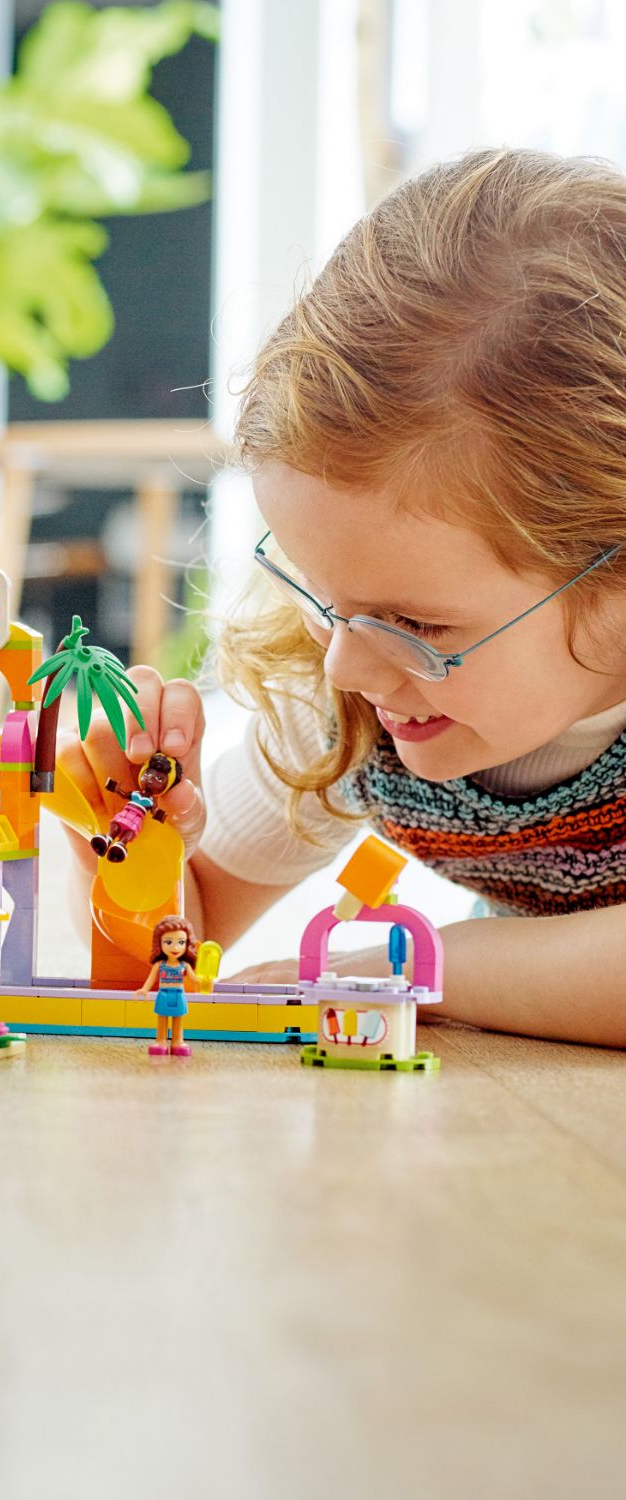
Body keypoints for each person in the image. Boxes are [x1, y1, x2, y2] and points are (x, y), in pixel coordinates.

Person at [65, 149, 626, 1049]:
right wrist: (135, 845)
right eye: (321, 596)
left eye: (419, 624)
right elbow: (179, 947)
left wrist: (406, 971)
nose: (345, 665)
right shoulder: (349, 704)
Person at [137, 915, 199, 1058]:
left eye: (181, 942)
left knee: (178, 1019)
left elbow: (194, 979)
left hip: (178, 994)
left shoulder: (185, 965)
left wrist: (204, 982)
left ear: (187, 943)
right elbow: (151, 978)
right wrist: (144, 989)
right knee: (162, 1019)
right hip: (163, 994)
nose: (175, 947)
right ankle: (161, 1041)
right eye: (168, 942)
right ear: (159, 943)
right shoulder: (160, 964)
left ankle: (177, 1041)